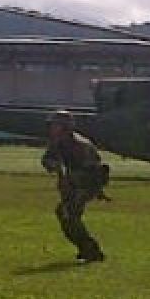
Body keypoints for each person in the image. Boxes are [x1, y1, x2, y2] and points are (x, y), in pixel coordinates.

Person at [41, 110, 109, 263]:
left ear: (65, 127)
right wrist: (53, 164)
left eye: (56, 125)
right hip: (69, 186)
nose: (52, 128)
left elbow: (95, 171)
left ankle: (91, 250)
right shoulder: (57, 142)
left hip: (84, 186)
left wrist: (90, 190)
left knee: (68, 214)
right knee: (66, 215)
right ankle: (86, 249)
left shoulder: (81, 145)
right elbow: (47, 160)